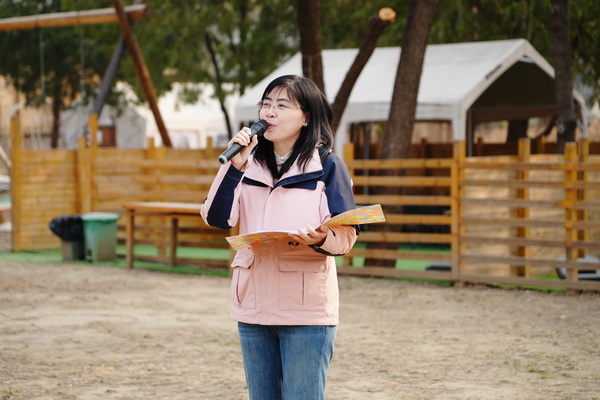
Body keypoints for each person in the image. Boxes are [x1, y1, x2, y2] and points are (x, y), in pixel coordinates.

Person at [201, 74, 359, 400]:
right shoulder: (246, 164)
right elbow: (217, 217)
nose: (270, 112)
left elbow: (345, 235)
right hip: (253, 306)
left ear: (307, 117)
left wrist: (320, 238)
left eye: (282, 105)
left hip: (306, 310)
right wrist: (233, 167)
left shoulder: (327, 166)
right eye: (266, 104)